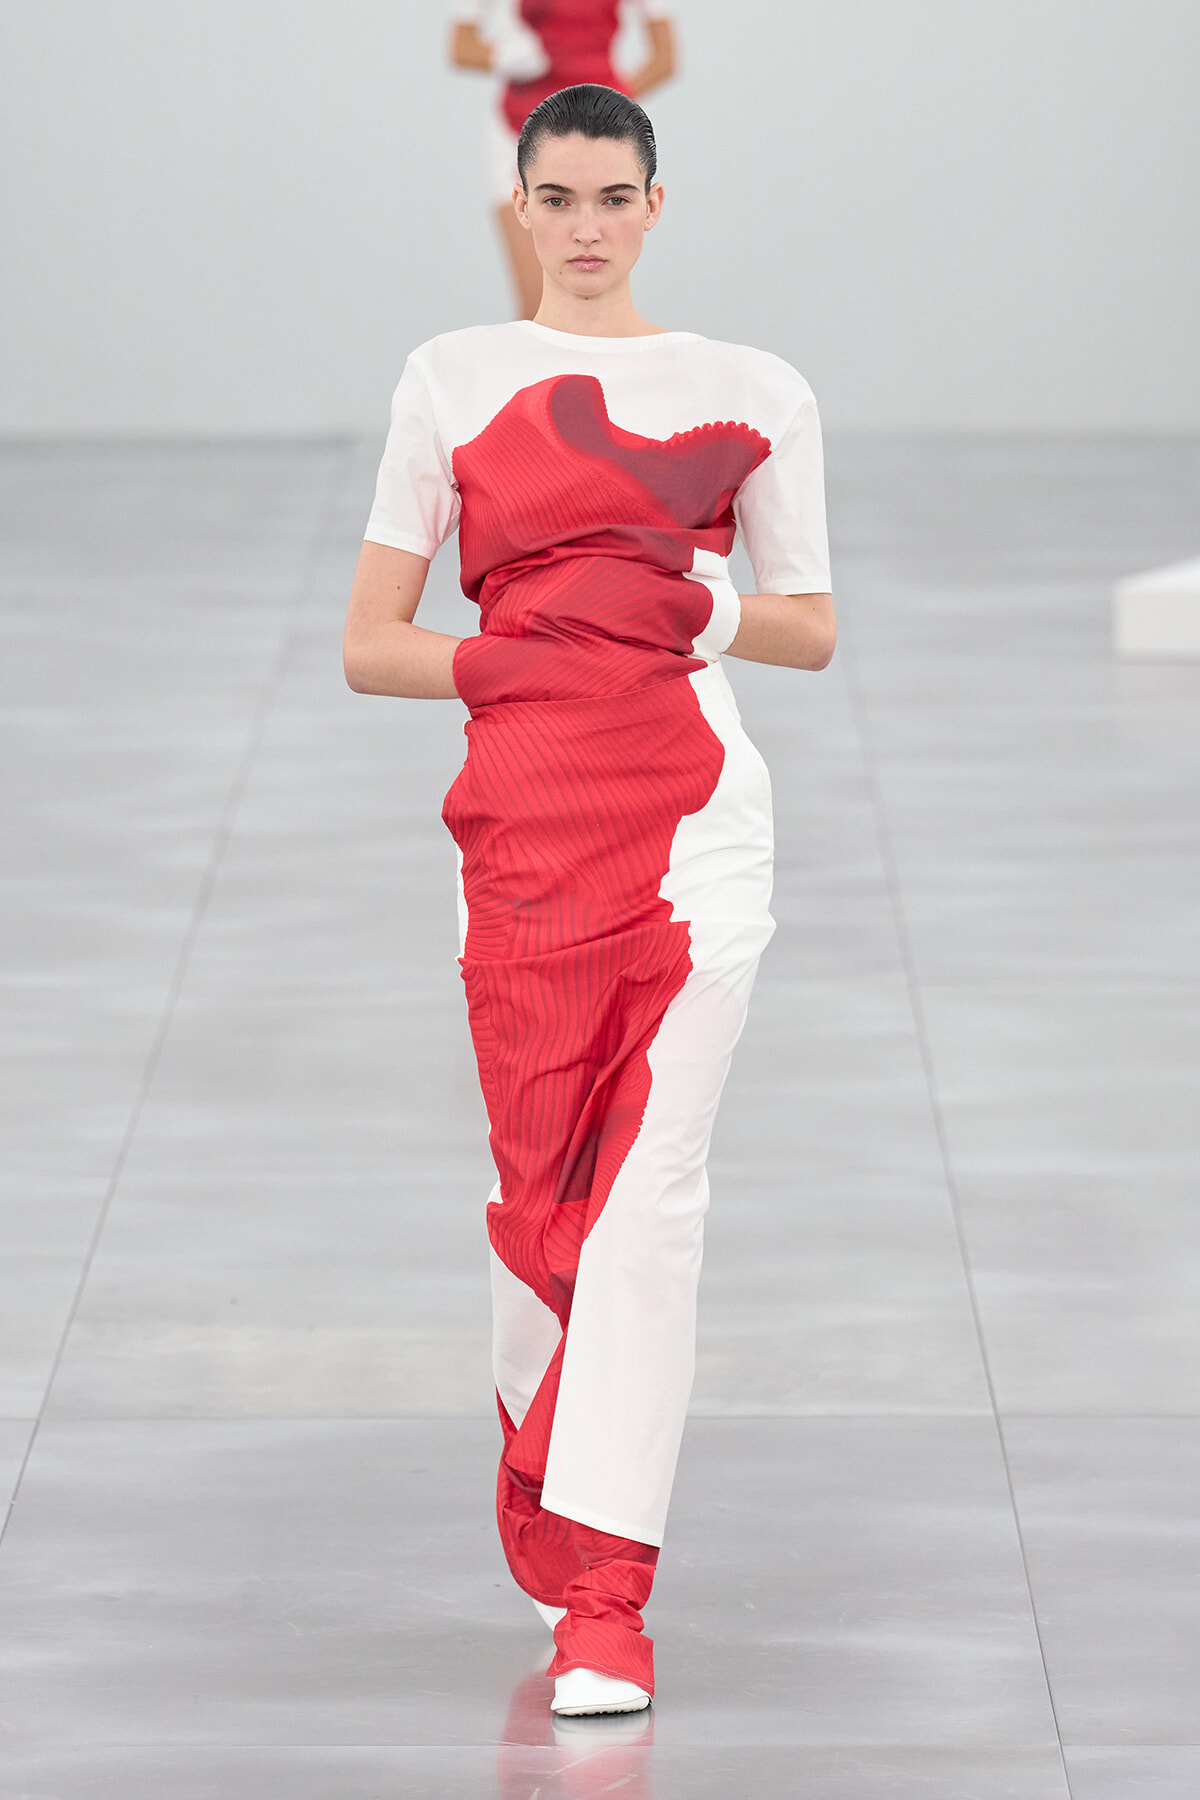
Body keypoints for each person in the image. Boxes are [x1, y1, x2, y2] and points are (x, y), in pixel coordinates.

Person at [344, 84, 834, 1718]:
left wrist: (686, 596)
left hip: (697, 832)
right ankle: (558, 1527)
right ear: (523, 202)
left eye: (611, 196)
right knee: (540, 1207)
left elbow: (811, 622)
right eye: (556, 197)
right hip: (521, 842)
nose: (585, 226)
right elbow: (373, 643)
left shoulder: (751, 390)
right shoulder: (451, 378)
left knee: (652, 1202)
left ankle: (607, 1600)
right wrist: (526, 653)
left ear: (654, 200)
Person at [449, 2, 676, 316]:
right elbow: (461, 47)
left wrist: (606, 105)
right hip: (517, 136)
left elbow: (664, 59)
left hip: (598, 143)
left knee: (596, 302)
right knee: (538, 304)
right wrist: (503, 55)